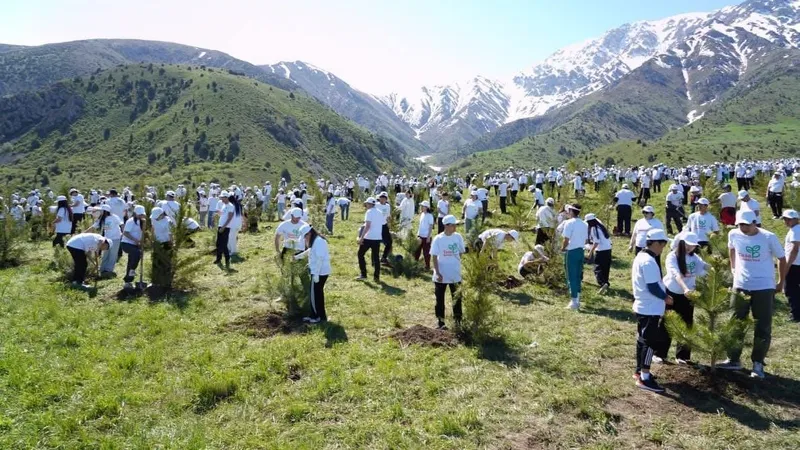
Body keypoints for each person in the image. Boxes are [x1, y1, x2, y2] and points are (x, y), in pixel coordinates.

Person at [718, 210, 786, 379]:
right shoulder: (734, 233)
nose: (743, 227)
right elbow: (731, 249)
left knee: (762, 325)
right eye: (741, 224)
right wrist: (733, 268)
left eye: (747, 224)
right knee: (735, 322)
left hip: (763, 286)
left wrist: (780, 281)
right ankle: (733, 359)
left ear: (755, 223)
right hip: (740, 285)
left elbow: (782, 258)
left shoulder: (768, 237)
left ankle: (757, 363)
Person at [631, 228, 671, 393]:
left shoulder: (642, 256)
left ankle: (639, 370)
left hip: (644, 306)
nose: (664, 247)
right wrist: (666, 298)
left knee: (642, 339)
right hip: (650, 307)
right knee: (649, 342)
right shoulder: (647, 261)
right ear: (655, 243)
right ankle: (645, 378)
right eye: (663, 243)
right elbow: (653, 286)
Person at [660, 232, 707, 364]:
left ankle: (682, 356)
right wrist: (685, 288)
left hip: (688, 295)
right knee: (668, 322)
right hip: (672, 292)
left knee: (687, 324)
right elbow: (676, 275)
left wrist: (718, 266)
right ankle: (660, 353)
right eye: (687, 244)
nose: (690, 247)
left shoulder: (694, 257)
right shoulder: (672, 257)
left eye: (692, 245)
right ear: (681, 242)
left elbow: (704, 266)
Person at [430, 215, 466, 329]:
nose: (455, 227)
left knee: (457, 298)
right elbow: (434, 256)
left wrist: (455, 262)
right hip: (441, 275)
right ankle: (441, 322)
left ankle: (458, 321)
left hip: (455, 274)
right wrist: (438, 272)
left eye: (455, 224)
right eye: (453, 225)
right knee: (440, 299)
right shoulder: (438, 239)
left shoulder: (458, 237)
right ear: (446, 225)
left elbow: (461, 251)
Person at [294, 224, 332, 323]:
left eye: (305, 236)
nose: (305, 238)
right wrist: (298, 257)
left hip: (319, 272)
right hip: (318, 271)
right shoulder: (315, 241)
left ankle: (316, 317)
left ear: (310, 233)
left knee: (314, 295)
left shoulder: (319, 242)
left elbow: (319, 258)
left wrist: (315, 274)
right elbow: (310, 251)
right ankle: (321, 316)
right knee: (318, 294)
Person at [561, 204, 588, 310]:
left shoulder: (569, 223)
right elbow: (586, 240)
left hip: (571, 251)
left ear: (572, 211)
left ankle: (574, 301)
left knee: (570, 275)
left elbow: (566, 239)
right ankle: (577, 298)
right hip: (581, 251)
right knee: (578, 275)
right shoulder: (584, 224)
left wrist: (563, 248)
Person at [85, 204, 123, 276]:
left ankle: (109, 270)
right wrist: (84, 233)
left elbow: (121, 224)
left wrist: (123, 233)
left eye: (101, 210)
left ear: (105, 211)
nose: (100, 212)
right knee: (105, 254)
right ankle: (102, 269)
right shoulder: (101, 219)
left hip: (116, 238)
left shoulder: (114, 217)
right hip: (106, 239)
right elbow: (93, 227)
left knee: (113, 255)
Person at [357, 197, 384, 282]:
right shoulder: (380, 212)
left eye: (367, 204)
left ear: (369, 204)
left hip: (369, 237)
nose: (366, 205)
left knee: (360, 254)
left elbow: (367, 226)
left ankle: (363, 274)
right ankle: (376, 277)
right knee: (376, 258)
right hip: (377, 238)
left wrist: (361, 237)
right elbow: (383, 223)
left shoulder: (369, 212)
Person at [121, 205, 146, 290]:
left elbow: (143, 233)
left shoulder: (142, 221)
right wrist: (135, 240)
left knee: (132, 260)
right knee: (137, 254)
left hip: (136, 244)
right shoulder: (130, 221)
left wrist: (142, 242)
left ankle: (128, 281)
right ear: (135, 213)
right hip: (126, 243)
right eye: (140, 214)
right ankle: (132, 270)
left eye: (142, 214)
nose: (141, 216)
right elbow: (125, 233)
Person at [586, 213, 612, 294]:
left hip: (600, 250)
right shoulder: (600, 225)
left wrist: (590, 252)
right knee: (605, 268)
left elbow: (596, 242)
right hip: (608, 249)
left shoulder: (594, 229)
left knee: (597, 268)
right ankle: (606, 282)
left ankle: (602, 283)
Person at [782, 210, 800, 322]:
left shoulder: (795, 231)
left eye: (789, 219)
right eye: (785, 219)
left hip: (795, 265)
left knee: (791, 290)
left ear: (796, 219)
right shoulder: (795, 230)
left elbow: (794, 250)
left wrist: (786, 266)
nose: (787, 221)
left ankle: (796, 315)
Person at [413, 201, 435, 270]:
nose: (421, 207)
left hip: (426, 237)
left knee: (426, 252)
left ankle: (427, 266)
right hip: (420, 235)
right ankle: (415, 263)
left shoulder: (430, 216)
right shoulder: (422, 214)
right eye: (421, 206)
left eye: (423, 206)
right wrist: (418, 234)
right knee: (417, 251)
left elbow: (431, 226)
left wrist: (428, 237)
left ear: (427, 207)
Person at [215, 193, 235, 269]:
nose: (221, 199)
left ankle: (227, 259)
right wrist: (219, 213)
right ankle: (218, 259)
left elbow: (230, 217)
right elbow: (223, 214)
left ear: (226, 197)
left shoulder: (230, 206)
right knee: (218, 243)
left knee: (224, 244)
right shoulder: (224, 205)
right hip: (220, 226)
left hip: (225, 227)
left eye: (222, 198)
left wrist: (223, 227)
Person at [376, 192, 393, 264]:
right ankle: (375, 259)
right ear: (379, 198)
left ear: (386, 199)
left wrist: (390, 224)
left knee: (389, 242)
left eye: (384, 198)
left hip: (384, 226)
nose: (382, 199)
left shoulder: (387, 206)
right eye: (381, 197)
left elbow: (388, 216)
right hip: (377, 226)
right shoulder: (376, 205)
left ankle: (384, 257)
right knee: (376, 243)